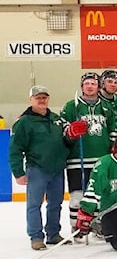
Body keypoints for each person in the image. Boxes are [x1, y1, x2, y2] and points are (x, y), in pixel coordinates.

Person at [9, 85, 85, 250]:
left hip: (57, 170)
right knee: (34, 204)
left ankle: (53, 233)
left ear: (48, 99)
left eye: (44, 97)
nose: (41, 100)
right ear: (31, 100)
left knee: (55, 203)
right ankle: (36, 237)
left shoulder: (56, 119)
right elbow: (15, 149)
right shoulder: (24, 122)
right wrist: (18, 172)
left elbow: (67, 141)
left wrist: (72, 134)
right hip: (37, 169)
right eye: (38, 97)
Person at [61, 72, 117, 236]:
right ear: (82, 86)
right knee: (77, 196)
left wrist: (113, 147)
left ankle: (97, 223)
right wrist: (70, 132)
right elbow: (64, 130)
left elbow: (113, 129)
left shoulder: (106, 107)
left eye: (93, 83)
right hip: (77, 160)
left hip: (101, 160)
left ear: (98, 86)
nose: (90, 86)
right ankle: (77, 227)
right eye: (87, 83)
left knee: (99, 195)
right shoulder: (72, 106)